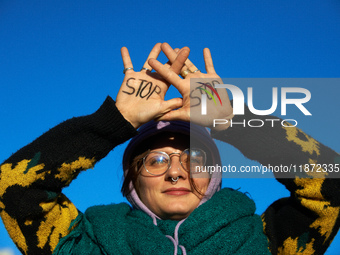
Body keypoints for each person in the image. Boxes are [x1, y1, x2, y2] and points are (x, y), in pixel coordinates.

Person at [0, 42, 339, 255]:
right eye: (156, 160)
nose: (176, 172)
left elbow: (332, 186)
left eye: (193, 158)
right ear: (132, 180)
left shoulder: (269, 241)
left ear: (214, 175)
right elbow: (12, 187)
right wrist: (115, 121)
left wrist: (232, 119)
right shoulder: (85, 243)